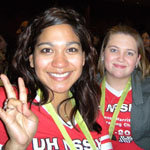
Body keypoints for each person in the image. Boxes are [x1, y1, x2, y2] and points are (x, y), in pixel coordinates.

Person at [0, 7, 113, 150]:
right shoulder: (8, 103)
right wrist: (16, 145)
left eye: (71, 49)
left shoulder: (89, 105)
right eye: (47, 50)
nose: (60, 63)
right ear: (32, 59)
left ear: (84, 58)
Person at [97, 24, 150, 150]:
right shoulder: (84, 87)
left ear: (137, 60)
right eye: (114, 50)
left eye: (129, 53)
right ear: (103, 54)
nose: (121, 58)